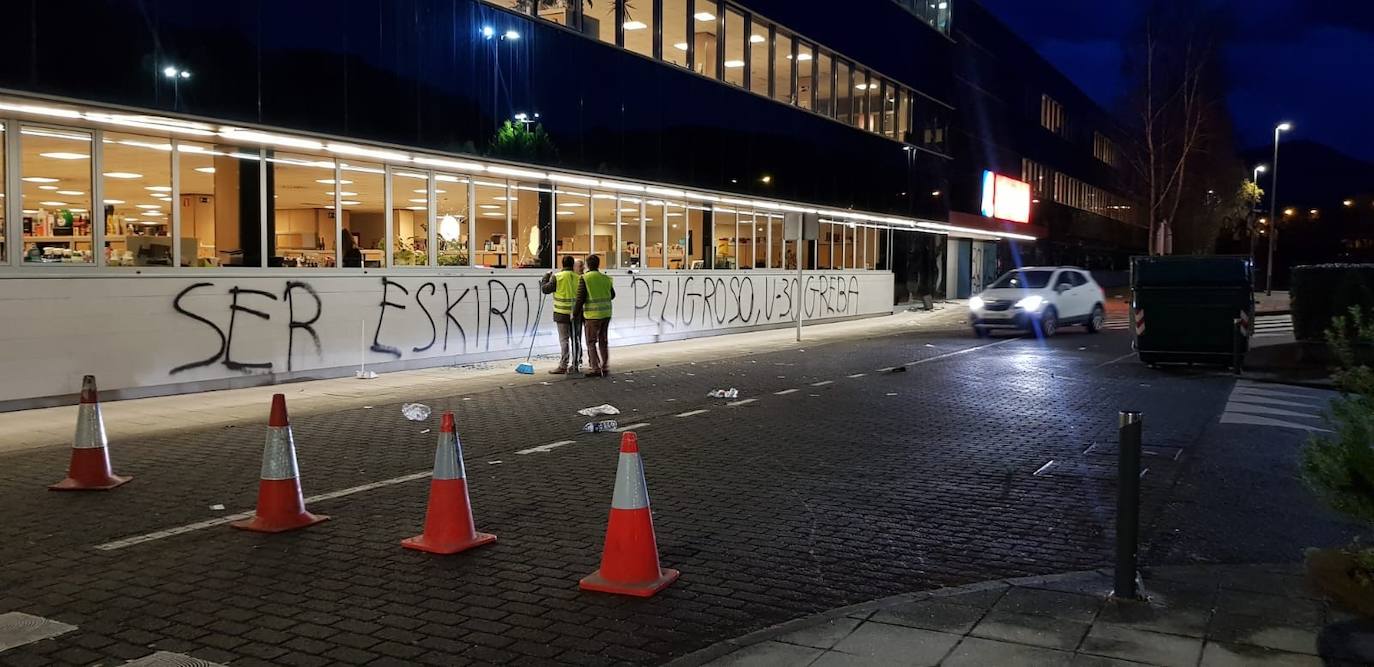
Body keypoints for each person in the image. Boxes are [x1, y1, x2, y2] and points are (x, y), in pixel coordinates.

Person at [540, 256, 583, 374]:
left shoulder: (557, 277)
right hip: (576, 314)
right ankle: (576, 365)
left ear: (562, 264)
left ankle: (563, 365)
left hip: (562, 314)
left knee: (564, 340)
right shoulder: (579, 277)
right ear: (572, 264)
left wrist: (546, 277)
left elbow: (545, 289)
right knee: (576, 339)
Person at [574, 254, 615, 378]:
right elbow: (612, 295)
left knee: (591, 341)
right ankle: (605, 366)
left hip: (592, 315)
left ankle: (595, 368)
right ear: (598, 264)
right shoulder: (606, 278)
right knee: (603, 341)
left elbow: (580, 298)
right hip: (606, 314)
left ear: (587, 265)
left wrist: (575, 313)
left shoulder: (585, 278)